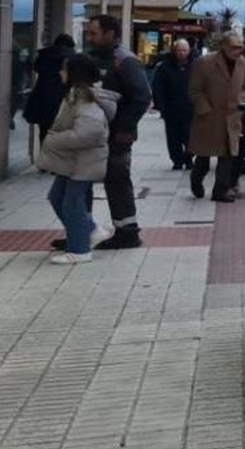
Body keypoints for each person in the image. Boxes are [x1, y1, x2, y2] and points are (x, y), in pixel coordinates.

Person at [37, 54, 118, 264]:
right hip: (74, 162)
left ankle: (80, 249)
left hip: (84, 162)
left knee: (72, 204)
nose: (60, 72)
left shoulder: (86, 99)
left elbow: (88, 133)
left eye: (64, 69)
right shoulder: (75, 95)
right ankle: (90, 231)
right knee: (58, 197)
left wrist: (53, 140)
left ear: (74, 73)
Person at [85, 15, 150, 249]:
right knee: (82, 179)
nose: (89, 37)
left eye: (94, 33)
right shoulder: (93, 59)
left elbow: (142, 96)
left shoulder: (124, 61)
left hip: (116, 135)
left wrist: (125, 127)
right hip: (92, 133)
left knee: (117, 179)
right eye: (89, 33)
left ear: (110, 34)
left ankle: (127, 231)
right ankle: (83, 229)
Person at [188, 33, 245, 203]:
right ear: (223, 46)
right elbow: (195, 90)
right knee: (203, 157)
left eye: (240, 47)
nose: (237, 51)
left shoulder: (244, 63)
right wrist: (204, 109)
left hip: (231, 117)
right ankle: (196, 180)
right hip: (209, 118)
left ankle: (220, 190)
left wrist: (242, 104)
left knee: (228, 157)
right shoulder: (204, 63)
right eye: (234, 47)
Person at [151, 39, 195, 170]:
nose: (182, 53)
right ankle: (177, 160)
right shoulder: (164, 67)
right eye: (179, 50)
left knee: (190, 136)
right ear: (174, 51)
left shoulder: (195, 66)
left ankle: (189, 158)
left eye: (184, 50)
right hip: (171, 108)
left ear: (189, 51)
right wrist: (161, 105)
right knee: (173, 137)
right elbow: (157, 87)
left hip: (190, 109)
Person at [23, 34, 76, 140]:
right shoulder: (72, 56)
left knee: (44, 132)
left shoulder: (45, 54)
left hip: (43, 98)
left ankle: (44, 153)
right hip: (62, 99)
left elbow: (36, 68)